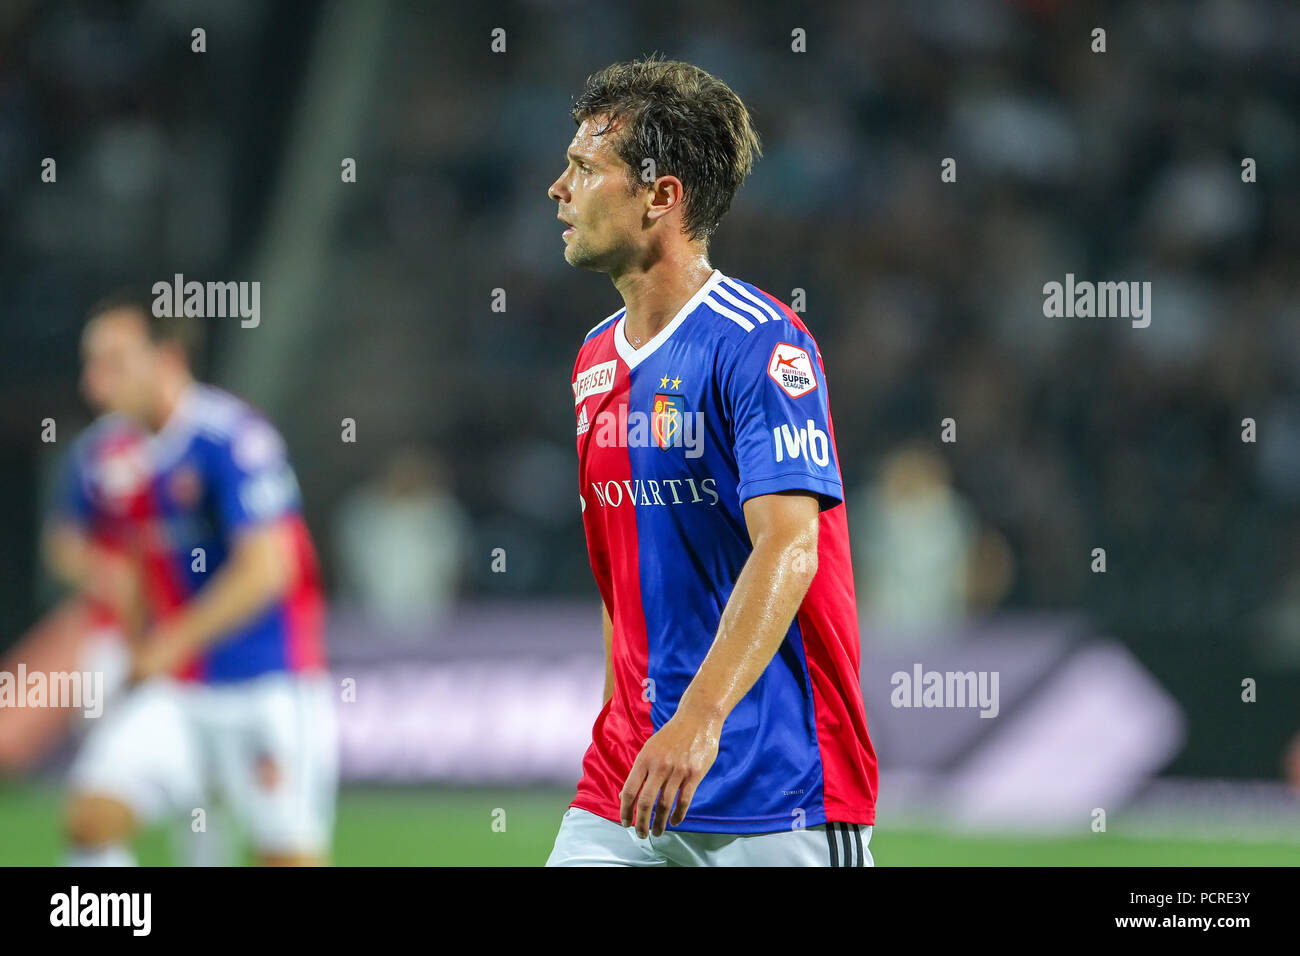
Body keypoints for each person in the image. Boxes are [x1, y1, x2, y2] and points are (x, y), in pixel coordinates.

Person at [545, 57, 877, 866]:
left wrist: (697, 720)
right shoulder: (593, 361)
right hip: (627, 779)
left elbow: (789, 544)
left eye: (586, 169)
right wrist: (622, 725)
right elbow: (621, 579)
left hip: (775, 782)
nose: (558, 189)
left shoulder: (759, 342)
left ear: (662, 197)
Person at [57, 290, 337, 866]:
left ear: (168, 359)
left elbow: (269, 567)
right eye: (92, 365)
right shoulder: (113, 455)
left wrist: (170, 641)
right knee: (91, 820)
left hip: (267, 686)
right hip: (178, 691)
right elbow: (121, 555)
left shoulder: (229, 437)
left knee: (286, 858)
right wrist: (136, 638)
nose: (95, 384)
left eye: (114, 363)